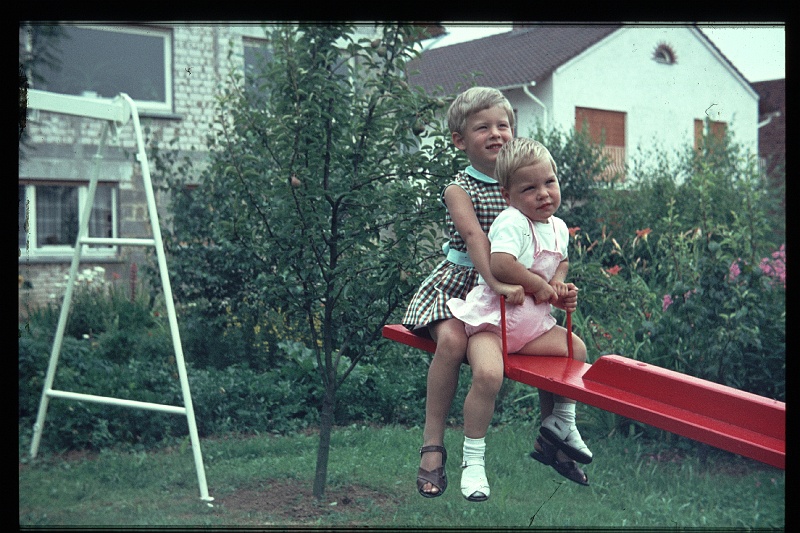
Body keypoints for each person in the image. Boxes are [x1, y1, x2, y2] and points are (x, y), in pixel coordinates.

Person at [447, 138, 592, 497]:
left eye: (549, 183)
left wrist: (558, 286)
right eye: (530, 188)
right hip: (493, 324)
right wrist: (536, 284)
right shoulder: (511, 221)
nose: (543, 194)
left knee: (576, 351)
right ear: (508, 195)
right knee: (488, 375)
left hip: (531, 328)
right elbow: (500, 264)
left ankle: (561, 423)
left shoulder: (557, 226)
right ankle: (473, 461)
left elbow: (560, 261)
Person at [401, 87, 521, 499]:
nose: (496, 133)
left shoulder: (518, 187)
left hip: (497, 294)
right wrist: (500, 283)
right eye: (482, 127)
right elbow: (474, 239)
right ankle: (432, 443)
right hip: (459, 285)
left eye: (503, 125)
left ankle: (557, 430)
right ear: (459, 140)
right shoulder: (459, 188)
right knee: (451, 341)